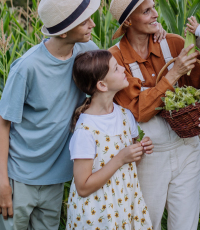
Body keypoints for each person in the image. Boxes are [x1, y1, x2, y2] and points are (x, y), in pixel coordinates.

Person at [107, 0, 200, 230]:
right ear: (128, 21)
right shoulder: (115, 59)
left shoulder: (172, 43)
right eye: (147, 11)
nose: (156, 14)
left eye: (154, 8)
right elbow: (138, 111)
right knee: (146, 223)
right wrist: (174, 74)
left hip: (187, 148)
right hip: (148, 153)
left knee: (185, 224)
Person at [0, 0, 100, 230]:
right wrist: (1, 183)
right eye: (84, 22)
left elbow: (116, 67)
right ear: (63, 33)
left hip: (56, 177)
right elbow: (1, 123)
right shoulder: (27, 67)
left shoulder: (86, 52)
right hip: (20, 176)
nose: (92, 24)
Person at [66, 49, 154, 230]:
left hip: (123, 204)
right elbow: (83, 187)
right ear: (102, 85)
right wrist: (121, 158)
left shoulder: (124, 115)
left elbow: (130, 162)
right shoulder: (85, 130)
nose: (123, 69)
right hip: (97, 213)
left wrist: (139, 150)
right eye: (116, 69)